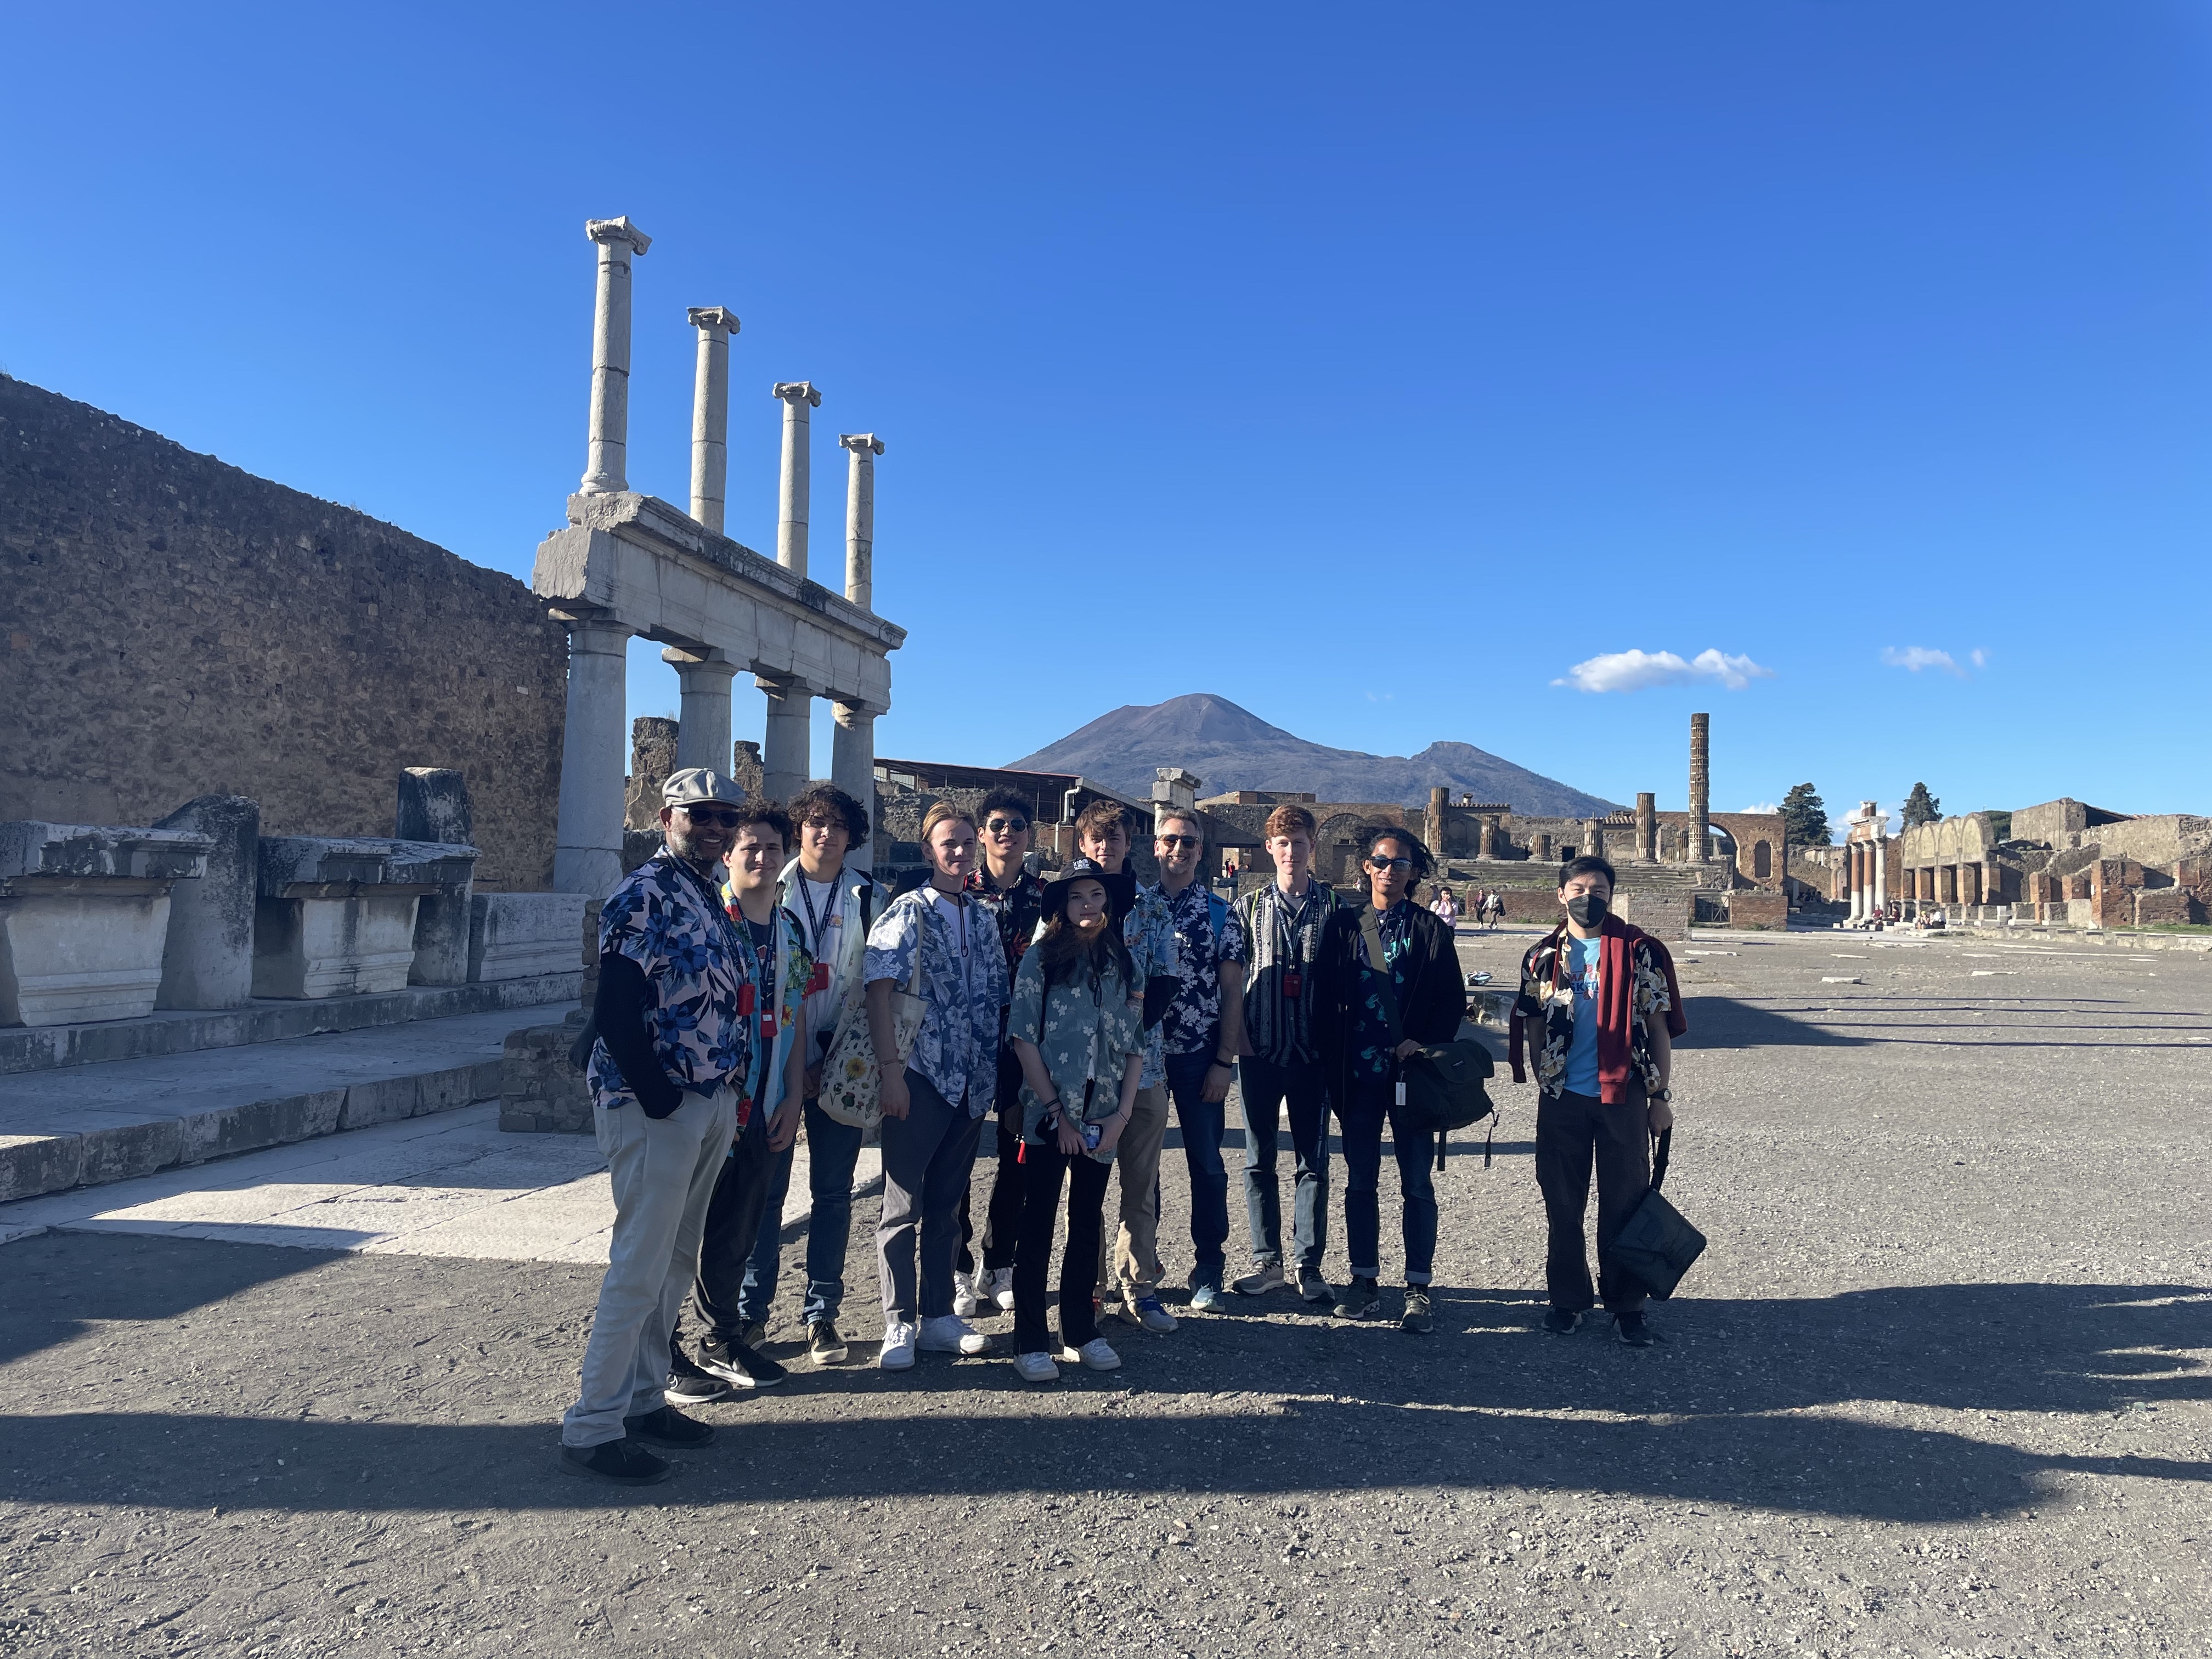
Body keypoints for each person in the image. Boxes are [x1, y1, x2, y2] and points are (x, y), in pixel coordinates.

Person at [558, 769, 753, 1485]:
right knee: (639, 1265)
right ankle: (593, 1424)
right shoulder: (644, 893)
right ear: (667, 817)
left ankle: (644, 1399)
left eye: (726, 816)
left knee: (674, 1260)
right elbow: (615, 1004)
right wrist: (659, 1096)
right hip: (656, 1104)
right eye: (701, 814)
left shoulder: (705, 891)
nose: (716, 827)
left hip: (705, 1097)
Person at [692, 782, 877, 1370]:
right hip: (774, 1067)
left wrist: (827, 1061)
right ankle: (752, 1311)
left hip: (841, 1062)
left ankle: (822, 1313)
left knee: (833, 1194)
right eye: (816, 823)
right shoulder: (770, 887)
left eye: (838, 825)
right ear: (799, 830)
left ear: (852, 836)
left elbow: (873, 986)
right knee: (764, 1194)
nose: (826, 833)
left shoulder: (869, 897)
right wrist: (797, 1074)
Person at [1508, 855, 1687, 1347]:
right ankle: (1567, 1301)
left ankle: (1628, 1306)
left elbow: (1658, 1028)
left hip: (1623, 1093)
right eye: (1580, 890)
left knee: (1625, 1201)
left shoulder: (1639, 952)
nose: (1589, 898)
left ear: (1611, 896)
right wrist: (1544, 1074)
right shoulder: (1542, 957)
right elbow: (1534, 1022)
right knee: (1562, 1203)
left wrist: (1660, 1097)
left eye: (1600, 891)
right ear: (1561, 894)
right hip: (1564, 1095)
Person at [668, 802, 809, 1400]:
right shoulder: (708, 921)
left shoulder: (791, 931)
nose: (762, 858)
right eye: (750, 847)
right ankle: (661, 1346)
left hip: (766, 1103)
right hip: (709, 1103)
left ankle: (721, 1337)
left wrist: (794, 1096)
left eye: (774, 848)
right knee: (679, 1229)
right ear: (727, 855)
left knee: (738, 1229)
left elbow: (795, 1019)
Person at [864, 803, 1010, 1370]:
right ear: (928, 850)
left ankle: (938, 1316)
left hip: (970, 1081)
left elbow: (997, 998)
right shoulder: (908, 912)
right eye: (949, 843)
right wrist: (891, 1072)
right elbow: (879, 990)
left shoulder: (982, 918)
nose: (960, 852)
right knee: (903, 1204)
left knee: (949, 1205)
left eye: (968, 842)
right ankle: (898, 1319)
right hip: (920, 1076)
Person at [1316, 825, 1466, 1333]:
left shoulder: (1430, 929)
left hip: (1411, 1073)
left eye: (1400, 863)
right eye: (1381, 861)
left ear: (1413, 872)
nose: (1389, 871)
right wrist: (1330, 1061)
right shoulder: (1343, 925)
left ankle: (1418, 1286)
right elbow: (1323, 998)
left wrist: (1421, 1042)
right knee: (1361, 1180)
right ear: (1366, 866)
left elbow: (1451, 999)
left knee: (1417, 1182)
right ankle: (1363, 1280)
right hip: (1357, 1074)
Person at [1005, 857, 1146, 1381]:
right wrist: (1058, 1115)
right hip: (1050, 1110)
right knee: (1038, 1222)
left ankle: (1080, 1330)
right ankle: (1029, 1339)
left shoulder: (1122, 963)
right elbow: (1024, 1038)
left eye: (1097, 895)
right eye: (1077, 896)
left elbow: (1135, 1045)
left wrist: (1122, 1116)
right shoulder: (1040, 959)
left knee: (1088, 1221)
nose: (1088, 905)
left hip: (1104, 1110)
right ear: (1062, 906)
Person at [1072, 800, 1180, 1332]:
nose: (1106, 845)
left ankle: (1140, 1288)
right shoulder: (1068, 906)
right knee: (1087, 1190)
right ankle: (1089, 1289)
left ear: (1128, 843)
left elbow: (1166, 980)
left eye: (1115, 837)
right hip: (1085, 1072)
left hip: (1146, 1066)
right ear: (1082, 844)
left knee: (1141, 1186)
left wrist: (1126, 1037)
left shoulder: (1152, 908)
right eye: (1097, 837)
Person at [1137, 808, 1247, 1317]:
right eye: (1170, 840)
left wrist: (1225, 1060)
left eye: (1188, 842)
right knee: (1145, 1167)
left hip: (1200, 1056)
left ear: (1201, 851)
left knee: (1207, 1164)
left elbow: (1232, 993)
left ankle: (1209, 1267)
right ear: (1156, 847)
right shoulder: (1135, 910)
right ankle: (1145, 1265)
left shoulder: (1222, 914)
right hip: (1145, 1059)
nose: (1178, 849)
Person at [1231, 805, 1339, 1304]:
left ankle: (1308, 1263)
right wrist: (1239, 1040)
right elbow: (1231, 980)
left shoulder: (1335, 909)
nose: (1291, 852)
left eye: (1299, 842)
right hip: (1261, 1050)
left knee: (1313, 1161)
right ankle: (1267, 1260)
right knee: (1259, 1159)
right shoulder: (1248, 908)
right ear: (1269, 849)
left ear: (1312, 847)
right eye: (1283, 843)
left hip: (1314, 1056)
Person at [954, 788, 1047, 1320]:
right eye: (997, 824)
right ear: (982, 833)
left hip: (1023, 1042)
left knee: (1017, 1157)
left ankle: (999, 1263)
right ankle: (958, 1265)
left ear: (1029, 835)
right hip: (967, 1041)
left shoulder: (1046, 899)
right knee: (960, 1157)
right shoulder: (957, 892)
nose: (1006, 833)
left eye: (1016, 824)